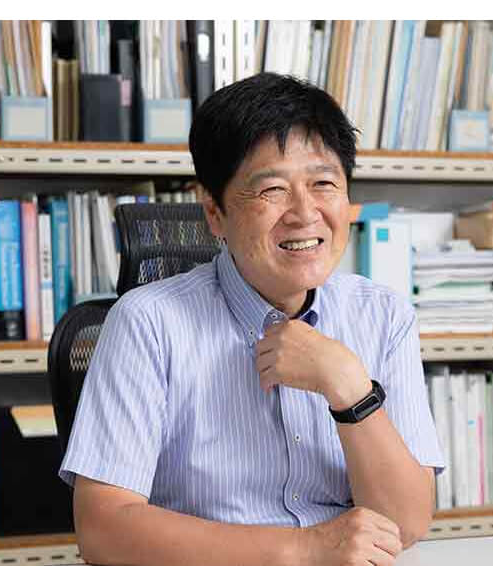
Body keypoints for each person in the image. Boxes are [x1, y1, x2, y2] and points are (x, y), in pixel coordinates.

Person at [60, 72, 444, 566]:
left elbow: (406, 524)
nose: (305, 213)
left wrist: (350, 390)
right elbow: (103, 529)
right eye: (272, 190)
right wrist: (305, 549)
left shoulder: (383, 316)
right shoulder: (147, 323)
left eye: (324, 184)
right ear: (214, 212)